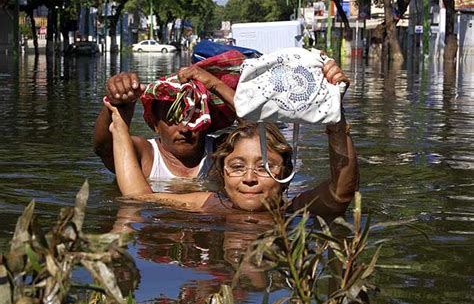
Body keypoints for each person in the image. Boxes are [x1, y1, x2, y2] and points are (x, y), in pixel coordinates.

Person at [103, 62, 357, 216]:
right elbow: (140, 198)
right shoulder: (213, 204)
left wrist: (335, 117)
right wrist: (119, 119)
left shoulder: (293, 210)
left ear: (287, 173)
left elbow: (341, 193)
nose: (249, 178)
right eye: (237, 167)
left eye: (264, 166)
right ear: (221, 173)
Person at [93, 68, 235, 180]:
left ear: (207, 121)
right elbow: (105, 148)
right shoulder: (147, 155)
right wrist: (116, 102)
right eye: (173, 118)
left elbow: (254, 131)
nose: (184, 128)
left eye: (193, 117)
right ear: (155, 124)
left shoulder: (222, 153)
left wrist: (215, 84)